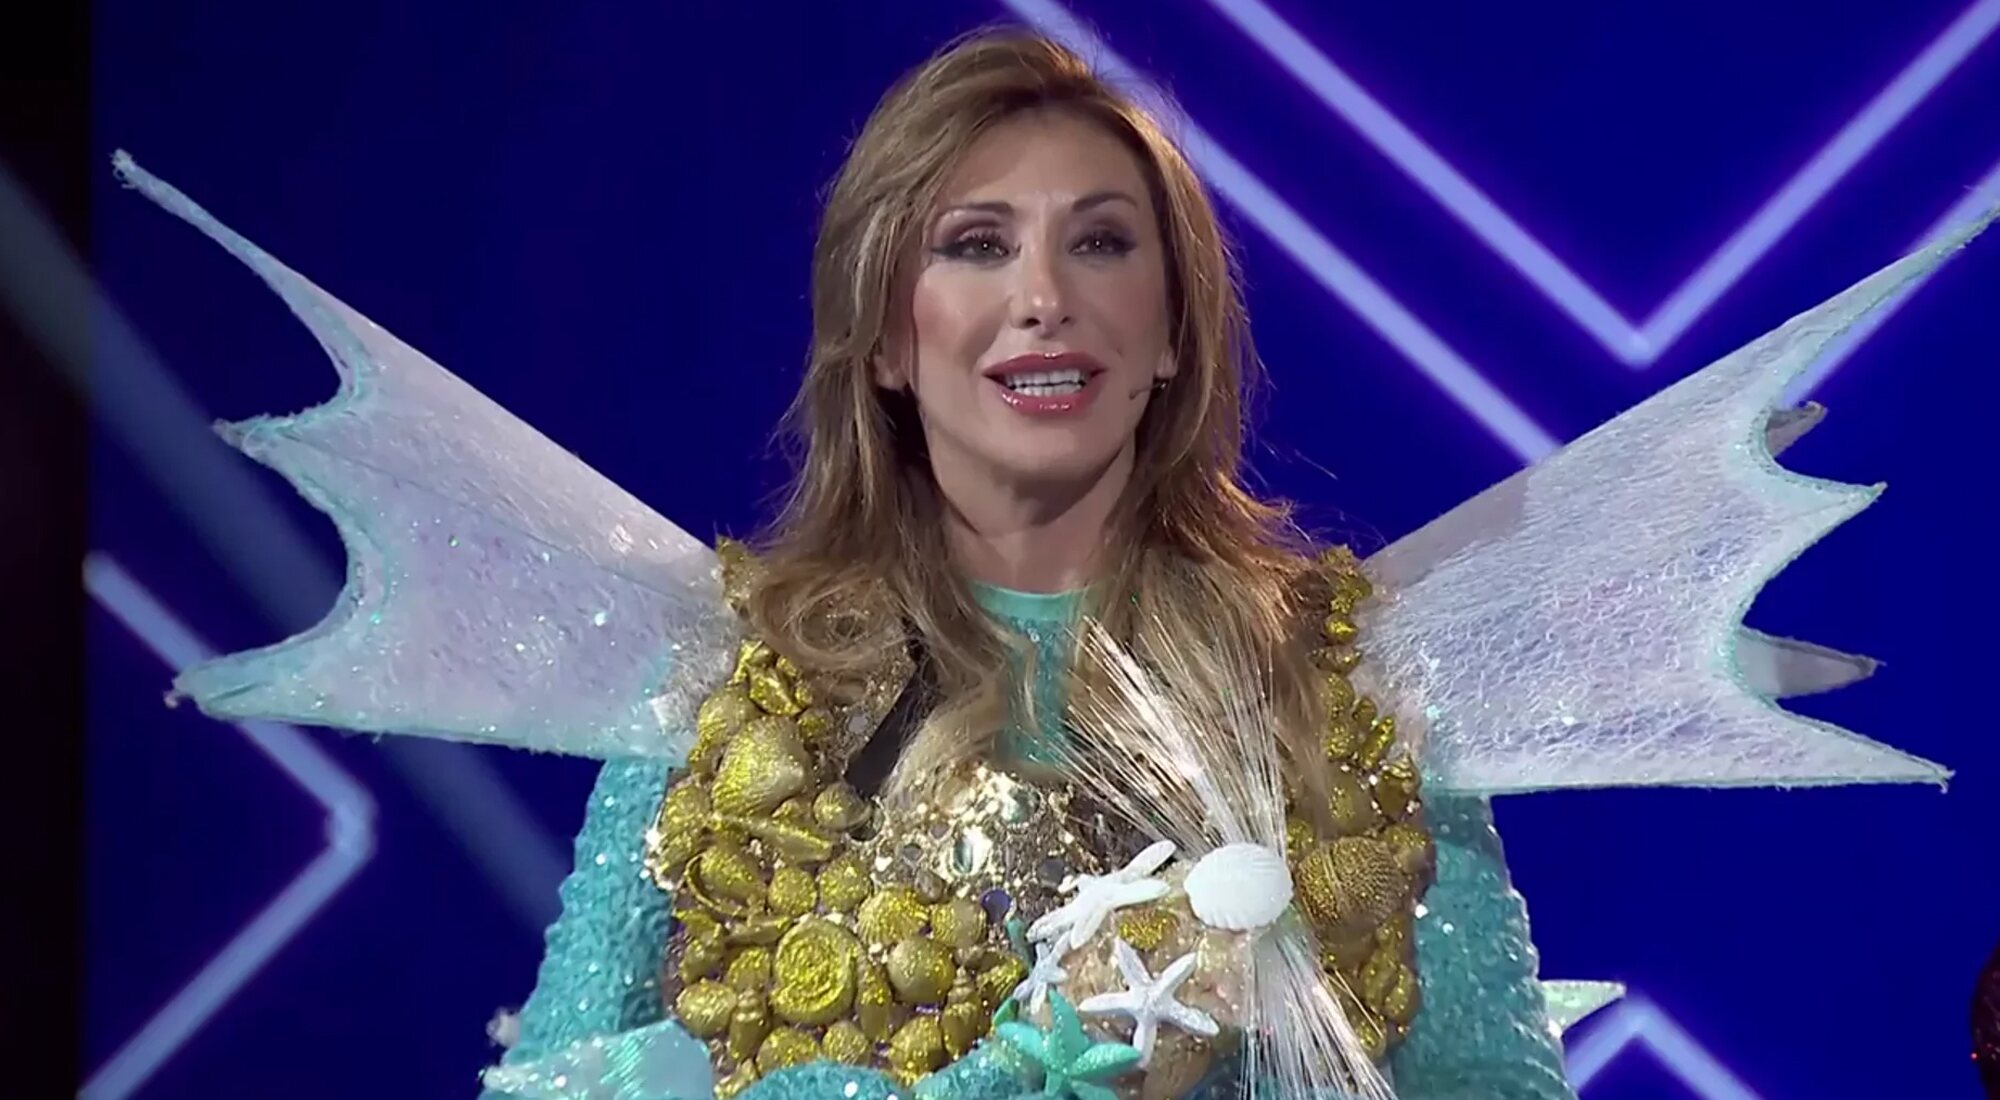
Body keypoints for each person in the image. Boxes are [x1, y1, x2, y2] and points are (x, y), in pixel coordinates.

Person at [117, 25, 1974, 1100]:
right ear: (886, 332)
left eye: (1100, 243)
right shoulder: (722, 679)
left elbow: (1491, 1087)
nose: (1041, 300)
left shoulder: (1353, 679)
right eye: (973, 245)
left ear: (1172, 332)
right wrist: (1004, 1074)